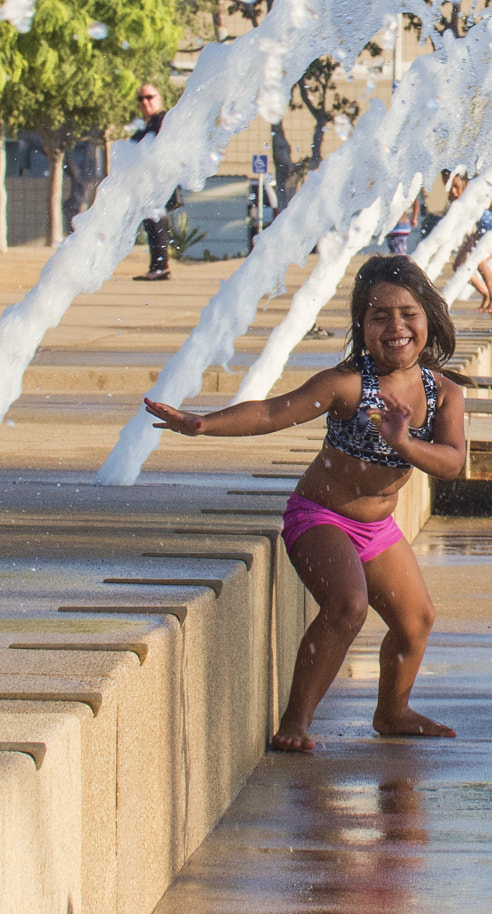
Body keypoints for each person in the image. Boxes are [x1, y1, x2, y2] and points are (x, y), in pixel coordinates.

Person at [144, 256, 468, 754]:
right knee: (347, 606)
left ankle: (392, 710)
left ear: (428, 317)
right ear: (362, 326)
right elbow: (273, 411)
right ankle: (296, 720)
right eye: (380, 316)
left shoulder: (442, 392)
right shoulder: (346, 384)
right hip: (319, 518)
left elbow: (449, 463)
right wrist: (204, 424)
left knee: (417, 619)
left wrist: (404, 444)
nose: (396, 327)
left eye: (408, 313)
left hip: (377, 529)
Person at [132, 84, 178, 281]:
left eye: (149, 97)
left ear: (159, 98)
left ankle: (160, 268)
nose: (145, 102)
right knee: (153, 226)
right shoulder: (150, 124)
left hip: (159, 185)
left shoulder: (162, 122)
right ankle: (158, 267)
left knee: (155, 225)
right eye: (141, 99)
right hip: (151, 185)